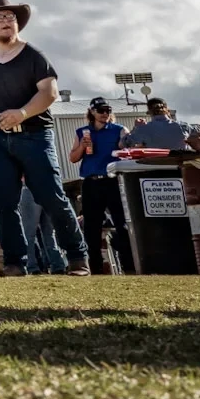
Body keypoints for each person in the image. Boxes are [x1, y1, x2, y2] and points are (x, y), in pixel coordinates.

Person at [0, 0, 90, 277]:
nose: (6, 22)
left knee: (51, 196)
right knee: (3, 202)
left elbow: (49, 93)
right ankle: (14, 263)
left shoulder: (34, 56)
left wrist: (22, 113)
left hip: (34, 135)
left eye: (10, 17)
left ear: (17, 23)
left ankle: (77, 258)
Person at [70, 99, 133, 275]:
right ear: (92, 112)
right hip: (91, 182)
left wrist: (129, 138)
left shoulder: (119, 129)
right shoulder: (83, 132)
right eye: (100, 110)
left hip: (113, 180)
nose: (105, 113)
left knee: (121, 223)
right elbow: (73, 158)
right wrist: (82, 146)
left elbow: (128, 149)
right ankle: (95, 268)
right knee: (91, 226)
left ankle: (129, 266)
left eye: (108, 110)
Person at [122, 97, 200, 154]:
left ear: (149, 112)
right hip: (180, 168)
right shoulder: (183, 126)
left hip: (155, 169)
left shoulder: (142, 130)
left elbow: (123, 144)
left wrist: (136, 128)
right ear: (167, 111)